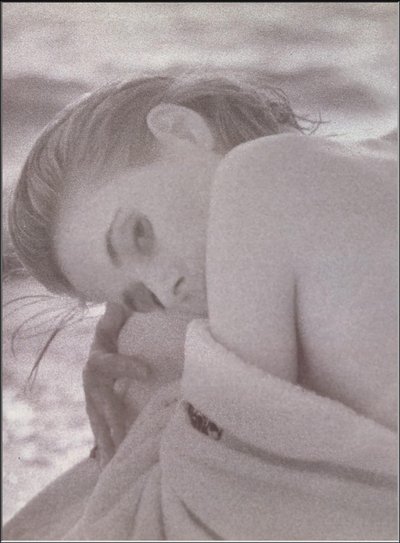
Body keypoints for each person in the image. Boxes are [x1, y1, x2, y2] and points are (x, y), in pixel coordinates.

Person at [4, 72, 397, 540]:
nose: (167, 287)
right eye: (143, 296)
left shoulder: (258, 173)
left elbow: (231, 476)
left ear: (182, 129)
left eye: (139, 234)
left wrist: (128, 417)